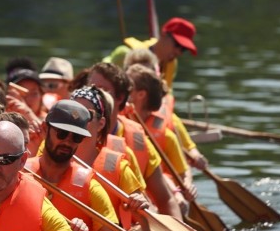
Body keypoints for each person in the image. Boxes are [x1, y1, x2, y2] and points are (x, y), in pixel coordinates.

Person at [25, 100, 149, 231]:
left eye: (76, 137)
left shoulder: (90, 187)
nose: (67, 141)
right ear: (45, 128)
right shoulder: (21, 173)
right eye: (61, 133)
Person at [86, 62, 183, 220]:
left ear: (120, 98)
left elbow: (166, 200)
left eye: (102, 89)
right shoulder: (69, 136)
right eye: (91, 87)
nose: (94, 94)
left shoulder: (138, 140)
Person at [71, 86, 148, 231]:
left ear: (101, 124)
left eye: (86, 114)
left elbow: (147, 222)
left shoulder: (118, 165)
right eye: (72, 113)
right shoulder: (50, 155)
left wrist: (140, 209)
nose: (77, 119)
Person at [126, 64, 197, 213]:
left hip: (159, 201)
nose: (123, 89)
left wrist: (186, 187)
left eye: (128, 86)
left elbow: (183, 172)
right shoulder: (118, 124)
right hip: (133, 200)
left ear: (141, 94)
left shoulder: (166, 135)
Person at [123, 48, 208, 170]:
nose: (143, 77)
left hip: (162, 180)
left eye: (147, 73)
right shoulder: (117, 113)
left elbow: (188, 146)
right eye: (137, 72)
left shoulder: (166, 117)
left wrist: (195, 156)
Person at [103, 17, 197, 92]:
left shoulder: (172, 64)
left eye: (184, 49)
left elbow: (167, 98)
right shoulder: (126, 53)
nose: (178, 52)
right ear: (163, 34)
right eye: (177, 45)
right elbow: (98, 75)